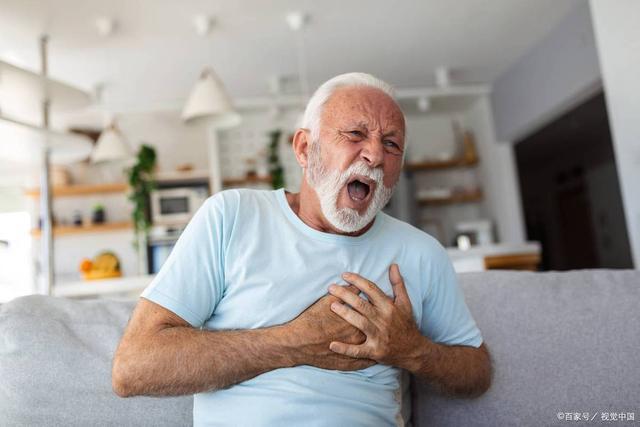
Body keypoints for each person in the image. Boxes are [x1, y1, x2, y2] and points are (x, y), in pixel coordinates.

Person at [112, 72, 492, 426]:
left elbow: (476, 372)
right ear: (305, 148)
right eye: (356, 134)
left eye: (391, 144)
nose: (375, 155)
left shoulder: (421, 252)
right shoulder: (232, 216)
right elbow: (134, 367)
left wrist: (411, 350)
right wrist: (295, 341)